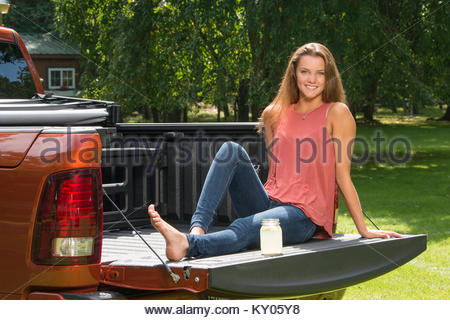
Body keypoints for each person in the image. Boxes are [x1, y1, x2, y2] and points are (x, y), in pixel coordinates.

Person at [148, 42, 402, 261]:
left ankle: (188, 246)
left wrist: (364, 230)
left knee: (250, 226)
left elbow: (342, 176)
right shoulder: (275, 113)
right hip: (269, 203)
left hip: (305, 215)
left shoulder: (337, 112)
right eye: (305, 71)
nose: (312, 79)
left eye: (319, 73)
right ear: (294, 73)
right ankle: (197, 230)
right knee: (230, 150)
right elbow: (278, 172)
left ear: (329, 76)